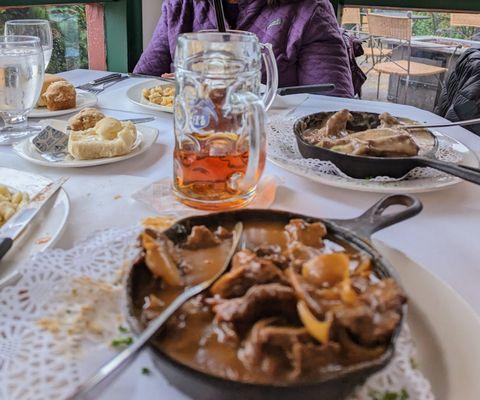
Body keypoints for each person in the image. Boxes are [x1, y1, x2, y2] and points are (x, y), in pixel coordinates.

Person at [134, 0, 356, 98]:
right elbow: (139, 81)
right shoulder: (180, 5)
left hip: (269, 148)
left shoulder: (310, 11)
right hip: (184, 138)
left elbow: (331, 105)